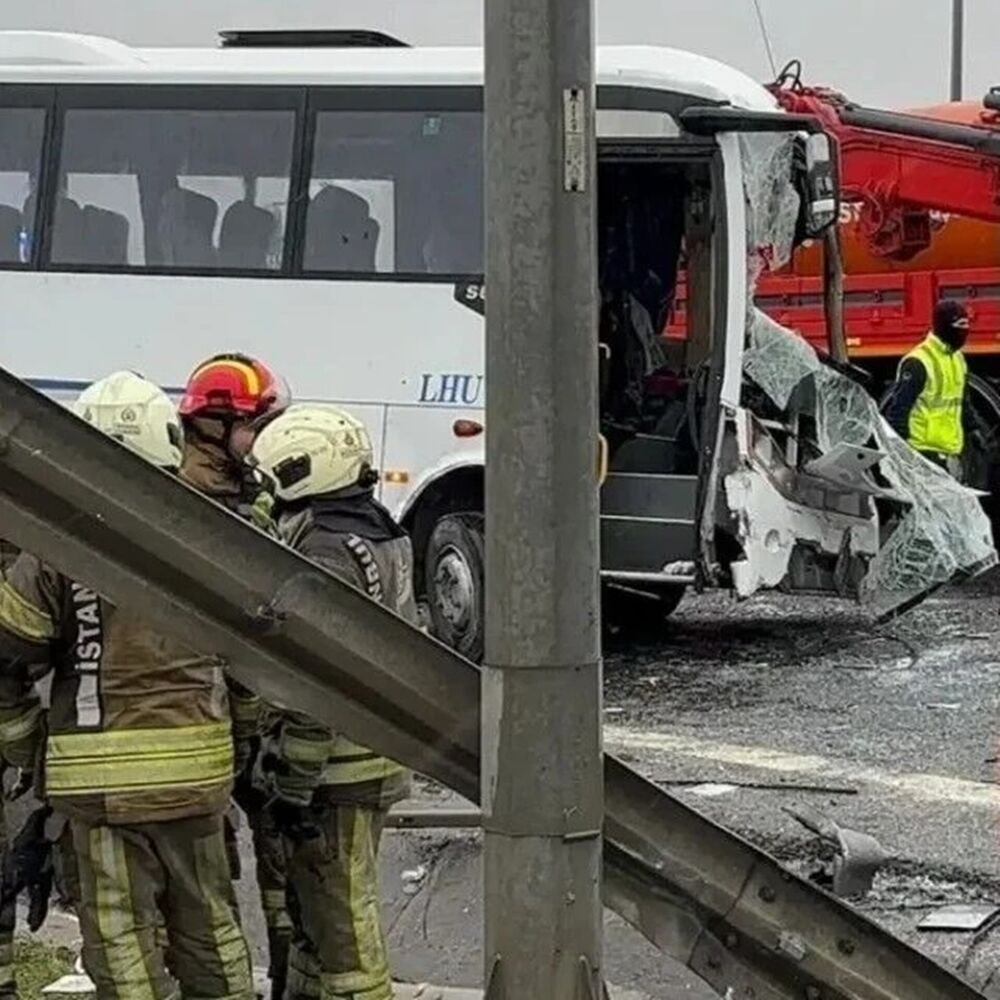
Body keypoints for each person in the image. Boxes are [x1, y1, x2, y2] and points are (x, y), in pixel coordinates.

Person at [0, 371, 254, 1000]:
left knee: (120, 941)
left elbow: (7, 653)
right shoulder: (215, 537)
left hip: (98, 790)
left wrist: (32, 749)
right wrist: (239, 742)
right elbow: (259, 670)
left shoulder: (63, 545)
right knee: (212, 930)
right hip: (200, 782)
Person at [250, 403, 414, 1000]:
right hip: (369, 752)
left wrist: (292, 776)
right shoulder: (377, 528)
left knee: (343, 920)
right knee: (319, 915)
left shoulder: (324, 549)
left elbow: (318, 675)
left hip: (335, 764)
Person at [177, 352, 294, 999]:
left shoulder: (251, 505)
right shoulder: (188, 514)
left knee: (281, 892)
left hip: (251, 732)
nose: (264, 439)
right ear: (216, 427)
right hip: (212, 734)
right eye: (256, 424)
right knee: (207, 902)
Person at [885, 299, 970, 477]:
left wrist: (974, 428)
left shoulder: (957, 359)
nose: (965, 330)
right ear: (944, 326)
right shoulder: (918, 362)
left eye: (967, 324)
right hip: (921, 451)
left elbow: (962, 402)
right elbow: (898, 411)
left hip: (947, 450)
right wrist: (902, 454)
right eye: (960, 324)